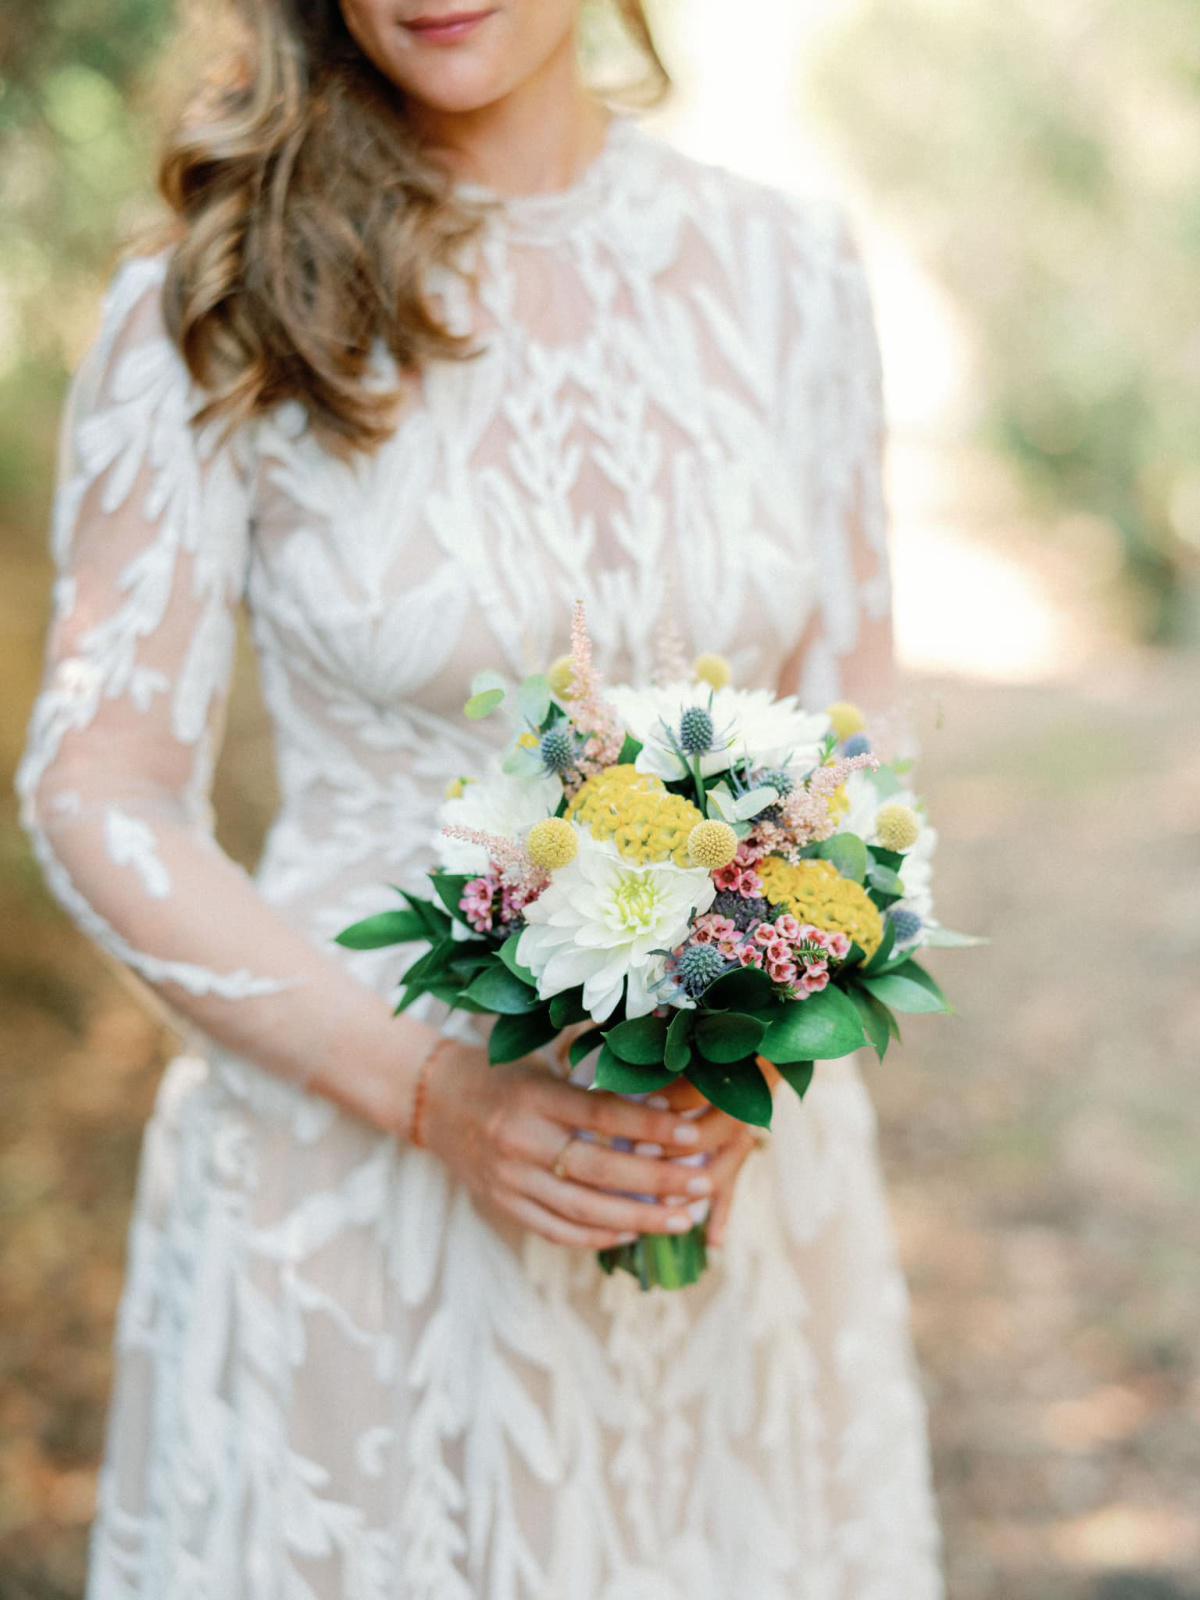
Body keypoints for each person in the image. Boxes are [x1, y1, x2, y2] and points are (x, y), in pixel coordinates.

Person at [17, 1, 943, 1593]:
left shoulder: (792, 268)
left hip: (727, 1198)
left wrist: (757, 1050)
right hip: (355, 1207)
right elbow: (100, 792)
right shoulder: (225, 297)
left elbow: (858, 732)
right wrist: (432, 1096)